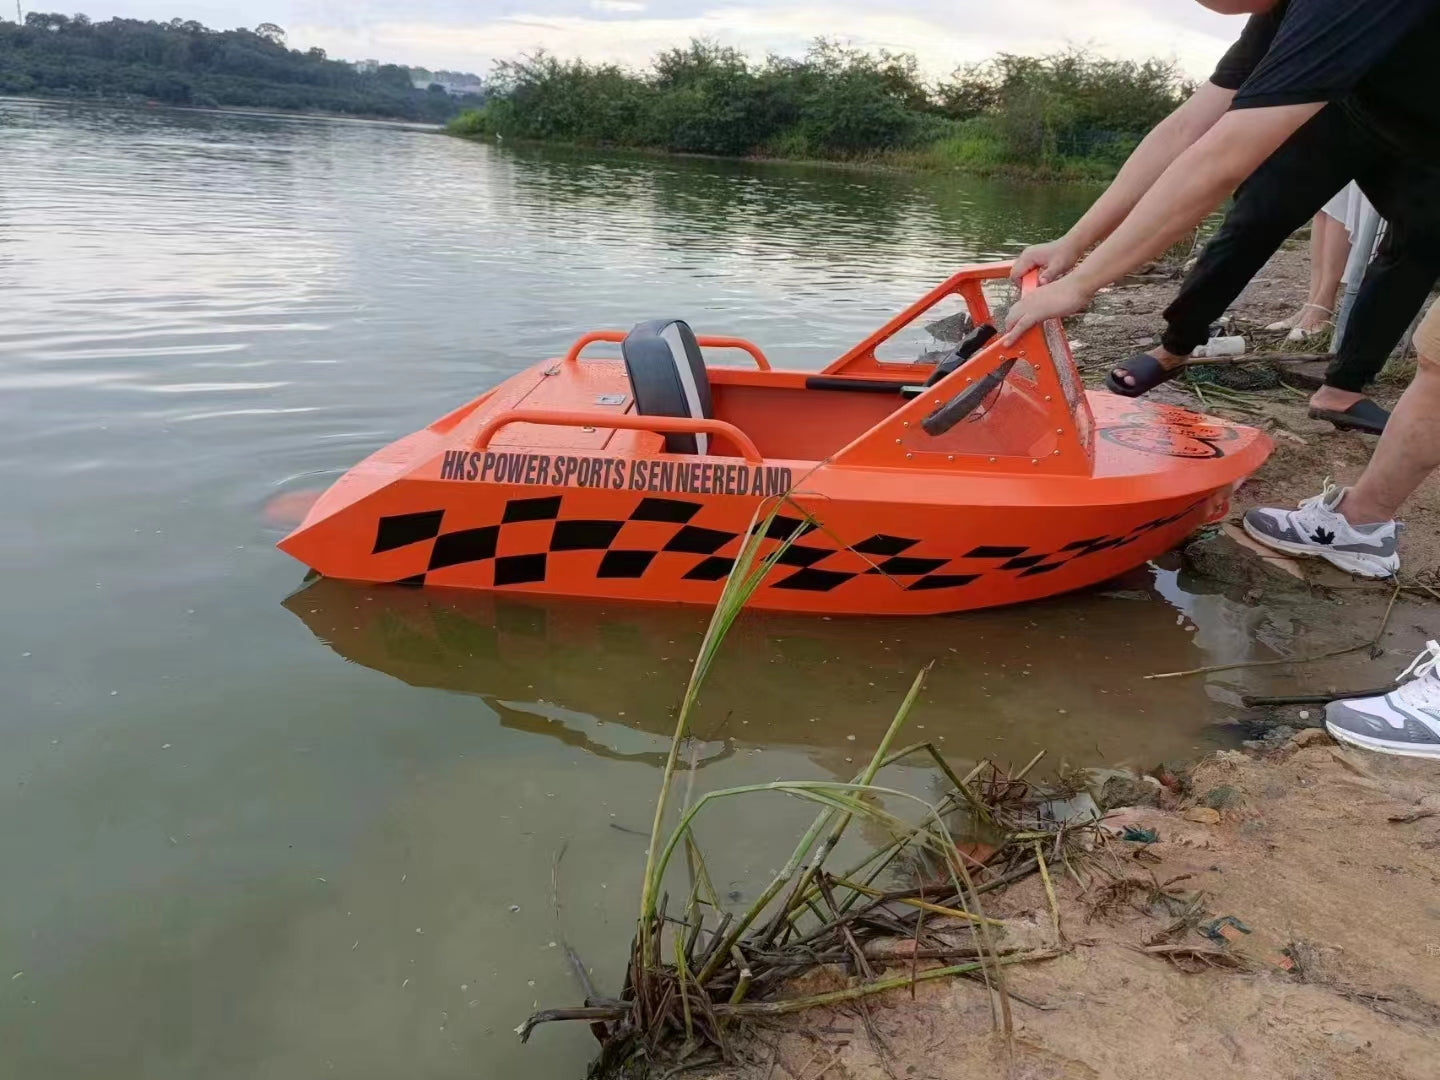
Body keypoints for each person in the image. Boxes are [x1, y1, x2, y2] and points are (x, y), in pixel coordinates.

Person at [1000, 0, 1440, 758]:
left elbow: (1227, 155)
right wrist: (1073, 242)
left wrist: (1085, 285)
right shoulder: (1283, 11)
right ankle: (1362, 529)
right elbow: (1189, 128)